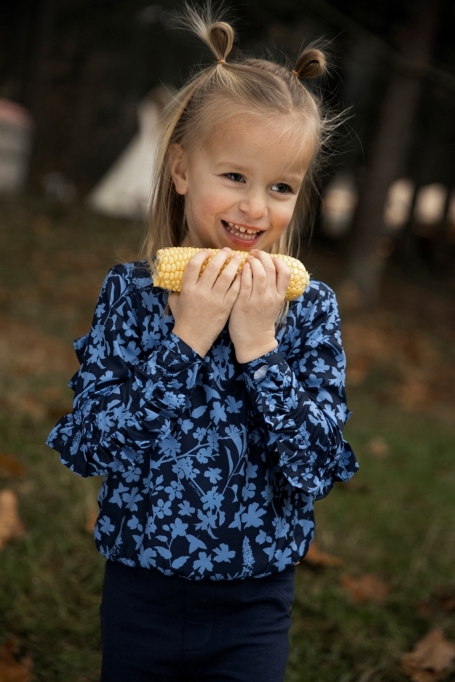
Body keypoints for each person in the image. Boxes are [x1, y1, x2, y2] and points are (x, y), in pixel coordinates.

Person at [46, 5, 358, 681]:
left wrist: (260, 348)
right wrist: (185, 338)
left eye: (280, 187)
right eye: (235, 177)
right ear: (182, 169)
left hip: (255, 598)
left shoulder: (308, 311)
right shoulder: (131, 297)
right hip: (142, 590)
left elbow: (318, 466)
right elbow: (86, 447)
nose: (255, 208)